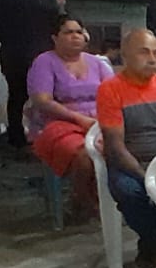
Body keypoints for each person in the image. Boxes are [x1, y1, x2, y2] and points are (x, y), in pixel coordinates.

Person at [96, 28, 156, 268]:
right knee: (132, 193)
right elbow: (115, 148)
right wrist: (147, 178)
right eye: (144, 52)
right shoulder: (110, 89)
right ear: (125, 55)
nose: (153, 59)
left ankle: (155, 248)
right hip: (130, 164)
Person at [27, 14, 114, 216]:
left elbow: (114, 93)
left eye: (78, 32)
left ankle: (112, 200)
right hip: (60, 123)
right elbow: (43, 101)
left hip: (99, 122)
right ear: (55, 38)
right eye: (68, 32)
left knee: (118, 148)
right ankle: (83, 200)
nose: (75, 36)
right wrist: (79, 119)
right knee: (85, 155)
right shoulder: (44, 62)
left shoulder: (97, 63)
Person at [0, 0, 58, 149]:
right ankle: (48, 135)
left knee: (16, 97)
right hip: (41, 55)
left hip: (12, 54)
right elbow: (56, 27)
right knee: (46, 97)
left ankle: (16, 139)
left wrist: (9, 40)